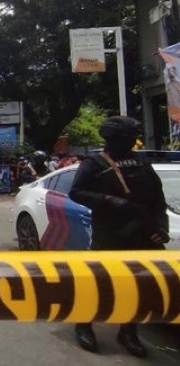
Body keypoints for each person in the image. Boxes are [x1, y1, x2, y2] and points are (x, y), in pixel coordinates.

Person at [68, 116, 169, 358]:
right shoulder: (94, 163)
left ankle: (128, 331)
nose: (133, 141)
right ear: (115, 138)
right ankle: (83, 324)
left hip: (143, 236)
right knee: (100, 283)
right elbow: (76, 192)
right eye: (128, 137)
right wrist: (108, 200)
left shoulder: (142, 163)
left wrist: (159, 227)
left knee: (138, 287)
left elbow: (158, 198)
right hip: (110, 233)